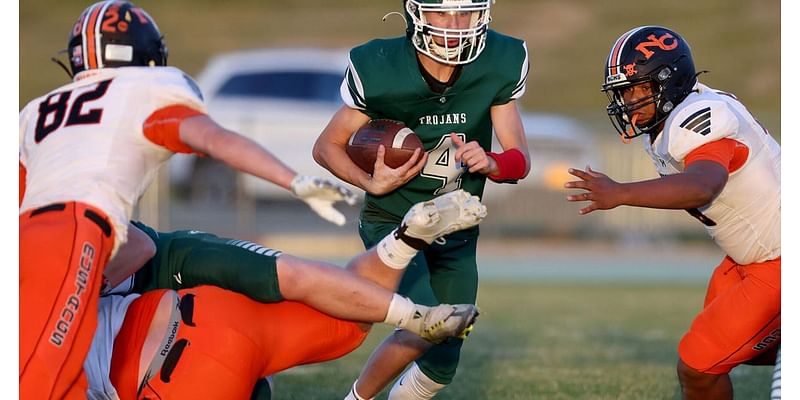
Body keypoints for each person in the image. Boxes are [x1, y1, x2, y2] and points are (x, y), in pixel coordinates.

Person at [19, 1, 356, 398]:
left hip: (104, 256)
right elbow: (214, 141)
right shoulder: (141, 91)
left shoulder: (36, 114)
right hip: (117, 251)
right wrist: (293, 181)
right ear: (147, 58)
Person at [312, 1, 531, 398]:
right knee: (428, 322)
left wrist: (493, 161)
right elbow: (327, 146)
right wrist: (370, 182)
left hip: (457, 227)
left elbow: (520, 159)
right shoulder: (381, 66)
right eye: (441, 14)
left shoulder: (499, 60)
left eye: (465, 13)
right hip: (395, 223)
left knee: (445, 357)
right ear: (416, 14)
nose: (454, 25)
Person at [84, 189, 486, 399]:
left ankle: (411, 315)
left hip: (168, 347)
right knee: (344, 318)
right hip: (199, 308)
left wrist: (74, 292)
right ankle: (405, 242)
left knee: (304, 282)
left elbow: (140, 248)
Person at [565, 26, 780, 400]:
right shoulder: (673, 118)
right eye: (622, 91)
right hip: (754, 258)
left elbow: (702, 186)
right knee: (745, 351)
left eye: (635, 89)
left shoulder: (698, 116)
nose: (626, 100)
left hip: (779, 258)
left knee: (699, 366)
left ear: (668, 81)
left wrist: (620, 193)